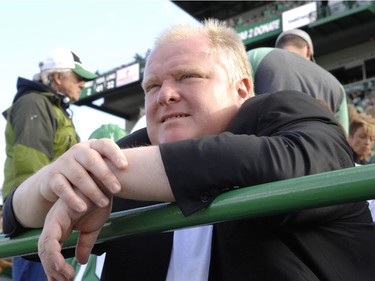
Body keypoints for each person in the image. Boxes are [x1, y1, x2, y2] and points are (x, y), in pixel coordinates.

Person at [3, 19, 375, 281]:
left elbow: (300, 160)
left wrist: (105, 172)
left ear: (243, 90)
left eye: (188, 76)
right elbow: (17, 223)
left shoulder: (284, 112)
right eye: (151, 86)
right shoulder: (137, 150)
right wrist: (48, 182)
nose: (164, 94)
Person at [1, 47, 97, 281]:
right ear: (57, 77)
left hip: (50, 219)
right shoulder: (34, 103)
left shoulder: (53, 107)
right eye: (78, 77)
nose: (83, 84)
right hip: (37, 222)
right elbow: (30, 169)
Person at [247, 47, 349, 133]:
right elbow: (344, 138)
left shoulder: (258, 54)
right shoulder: (337, 86)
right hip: (319, 152)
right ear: (308, 51)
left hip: (265, 147)